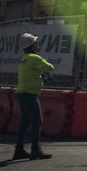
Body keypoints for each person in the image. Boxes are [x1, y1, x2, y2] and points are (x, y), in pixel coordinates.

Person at [13, 32, 54, 161]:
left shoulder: (25, 57)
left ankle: (19, 150)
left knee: (25, 122)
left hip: (21, 93)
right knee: (37, 121)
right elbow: (50, 67)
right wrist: (44, 69)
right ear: (32, 45)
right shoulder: (34, 58)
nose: (38, 44)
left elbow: (34, 71)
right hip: (30, 95)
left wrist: (40, 72)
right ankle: (35, 149)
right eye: (36, 43)